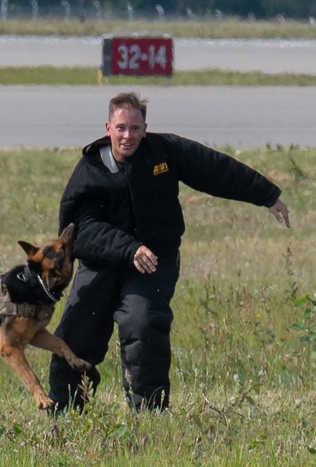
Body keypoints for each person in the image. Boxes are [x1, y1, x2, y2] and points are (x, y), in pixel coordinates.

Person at [49, 91, 290, 411]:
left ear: (145, 129)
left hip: (152, 262)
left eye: (135, 128)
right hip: (102, 263)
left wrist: (267, 195)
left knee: (143, 322)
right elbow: (80, 230)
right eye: (121, 128)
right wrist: (127, 248)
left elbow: (216, 170)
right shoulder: (91, 169)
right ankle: (65, 412)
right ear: (108, 128)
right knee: (74, 334)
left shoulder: (164, 152)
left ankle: (149, 415)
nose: (128, 136)